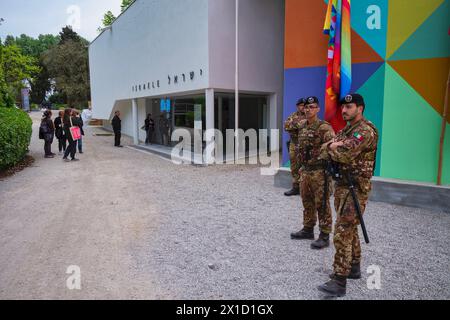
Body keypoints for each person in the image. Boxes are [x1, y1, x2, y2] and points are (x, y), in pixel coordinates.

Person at [318, 94, 379, 297]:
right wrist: (332, 146)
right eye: (343, 107)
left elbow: (344, 154)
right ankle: (354, 267)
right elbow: (324, 148)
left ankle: (339, 281)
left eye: (349, 107)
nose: (344, 110)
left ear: (360, 108)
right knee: (350, 229)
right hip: (343, 186)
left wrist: (333, 147)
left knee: (342, 231)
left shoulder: (364, 131)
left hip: (355, 190)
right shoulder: (347, 130)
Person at [290, 96, 335, 250]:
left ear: (318, 109)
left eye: (312, 107)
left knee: (322, 204)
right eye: (307, 107)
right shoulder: (302, 125)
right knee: (306, 201)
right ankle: (308, 229)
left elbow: (332, 147)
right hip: (306, 171)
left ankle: (324, 234)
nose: (308, 110)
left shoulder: (324, 127)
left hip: (320, 172)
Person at [284, 98, 307, 196]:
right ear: (298, 106)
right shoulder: (293, 116)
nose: (303, 107)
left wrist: (294, 125)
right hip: (294, 143)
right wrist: (299, 125)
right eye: (301, 105)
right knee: (294, 166)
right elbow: (286, 126)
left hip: (306, 144)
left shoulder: (310, 116)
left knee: (305, 165)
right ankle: (295, 187)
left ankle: (305, 188)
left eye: (304, 105)